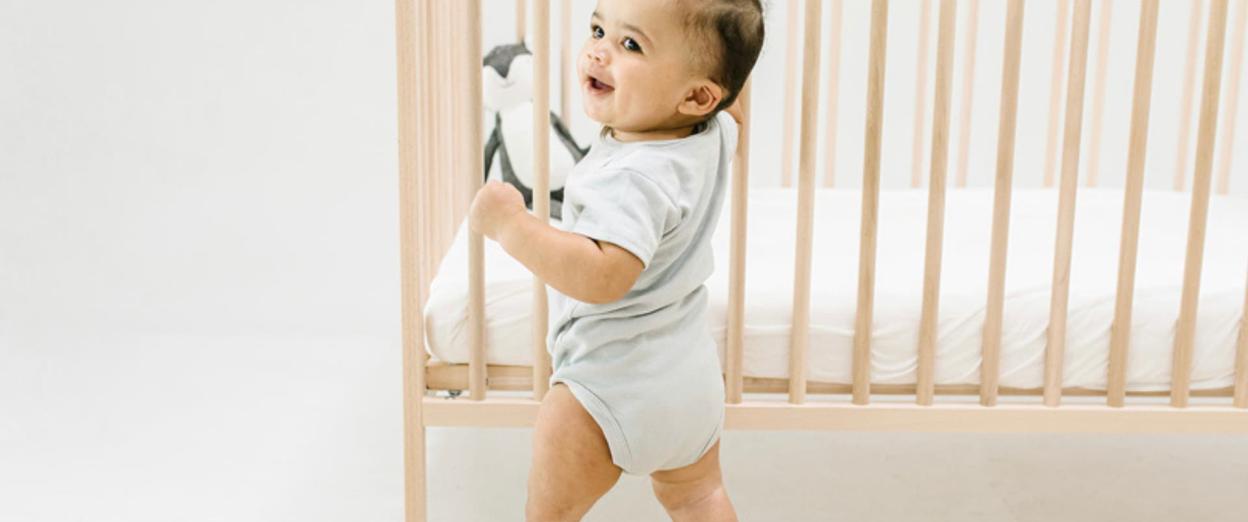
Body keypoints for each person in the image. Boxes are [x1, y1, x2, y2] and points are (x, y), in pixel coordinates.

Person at [469, 0, 764, 519]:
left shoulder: (630, 179)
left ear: (697, 94)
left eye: (631, 45)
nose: (599, 51)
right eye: (599, 29)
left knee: (550, 513)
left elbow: (603, 274)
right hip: (689, 384)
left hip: (604, 389)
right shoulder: (713, 134)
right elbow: (734, 104)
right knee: (697, 495)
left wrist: (512, 227)